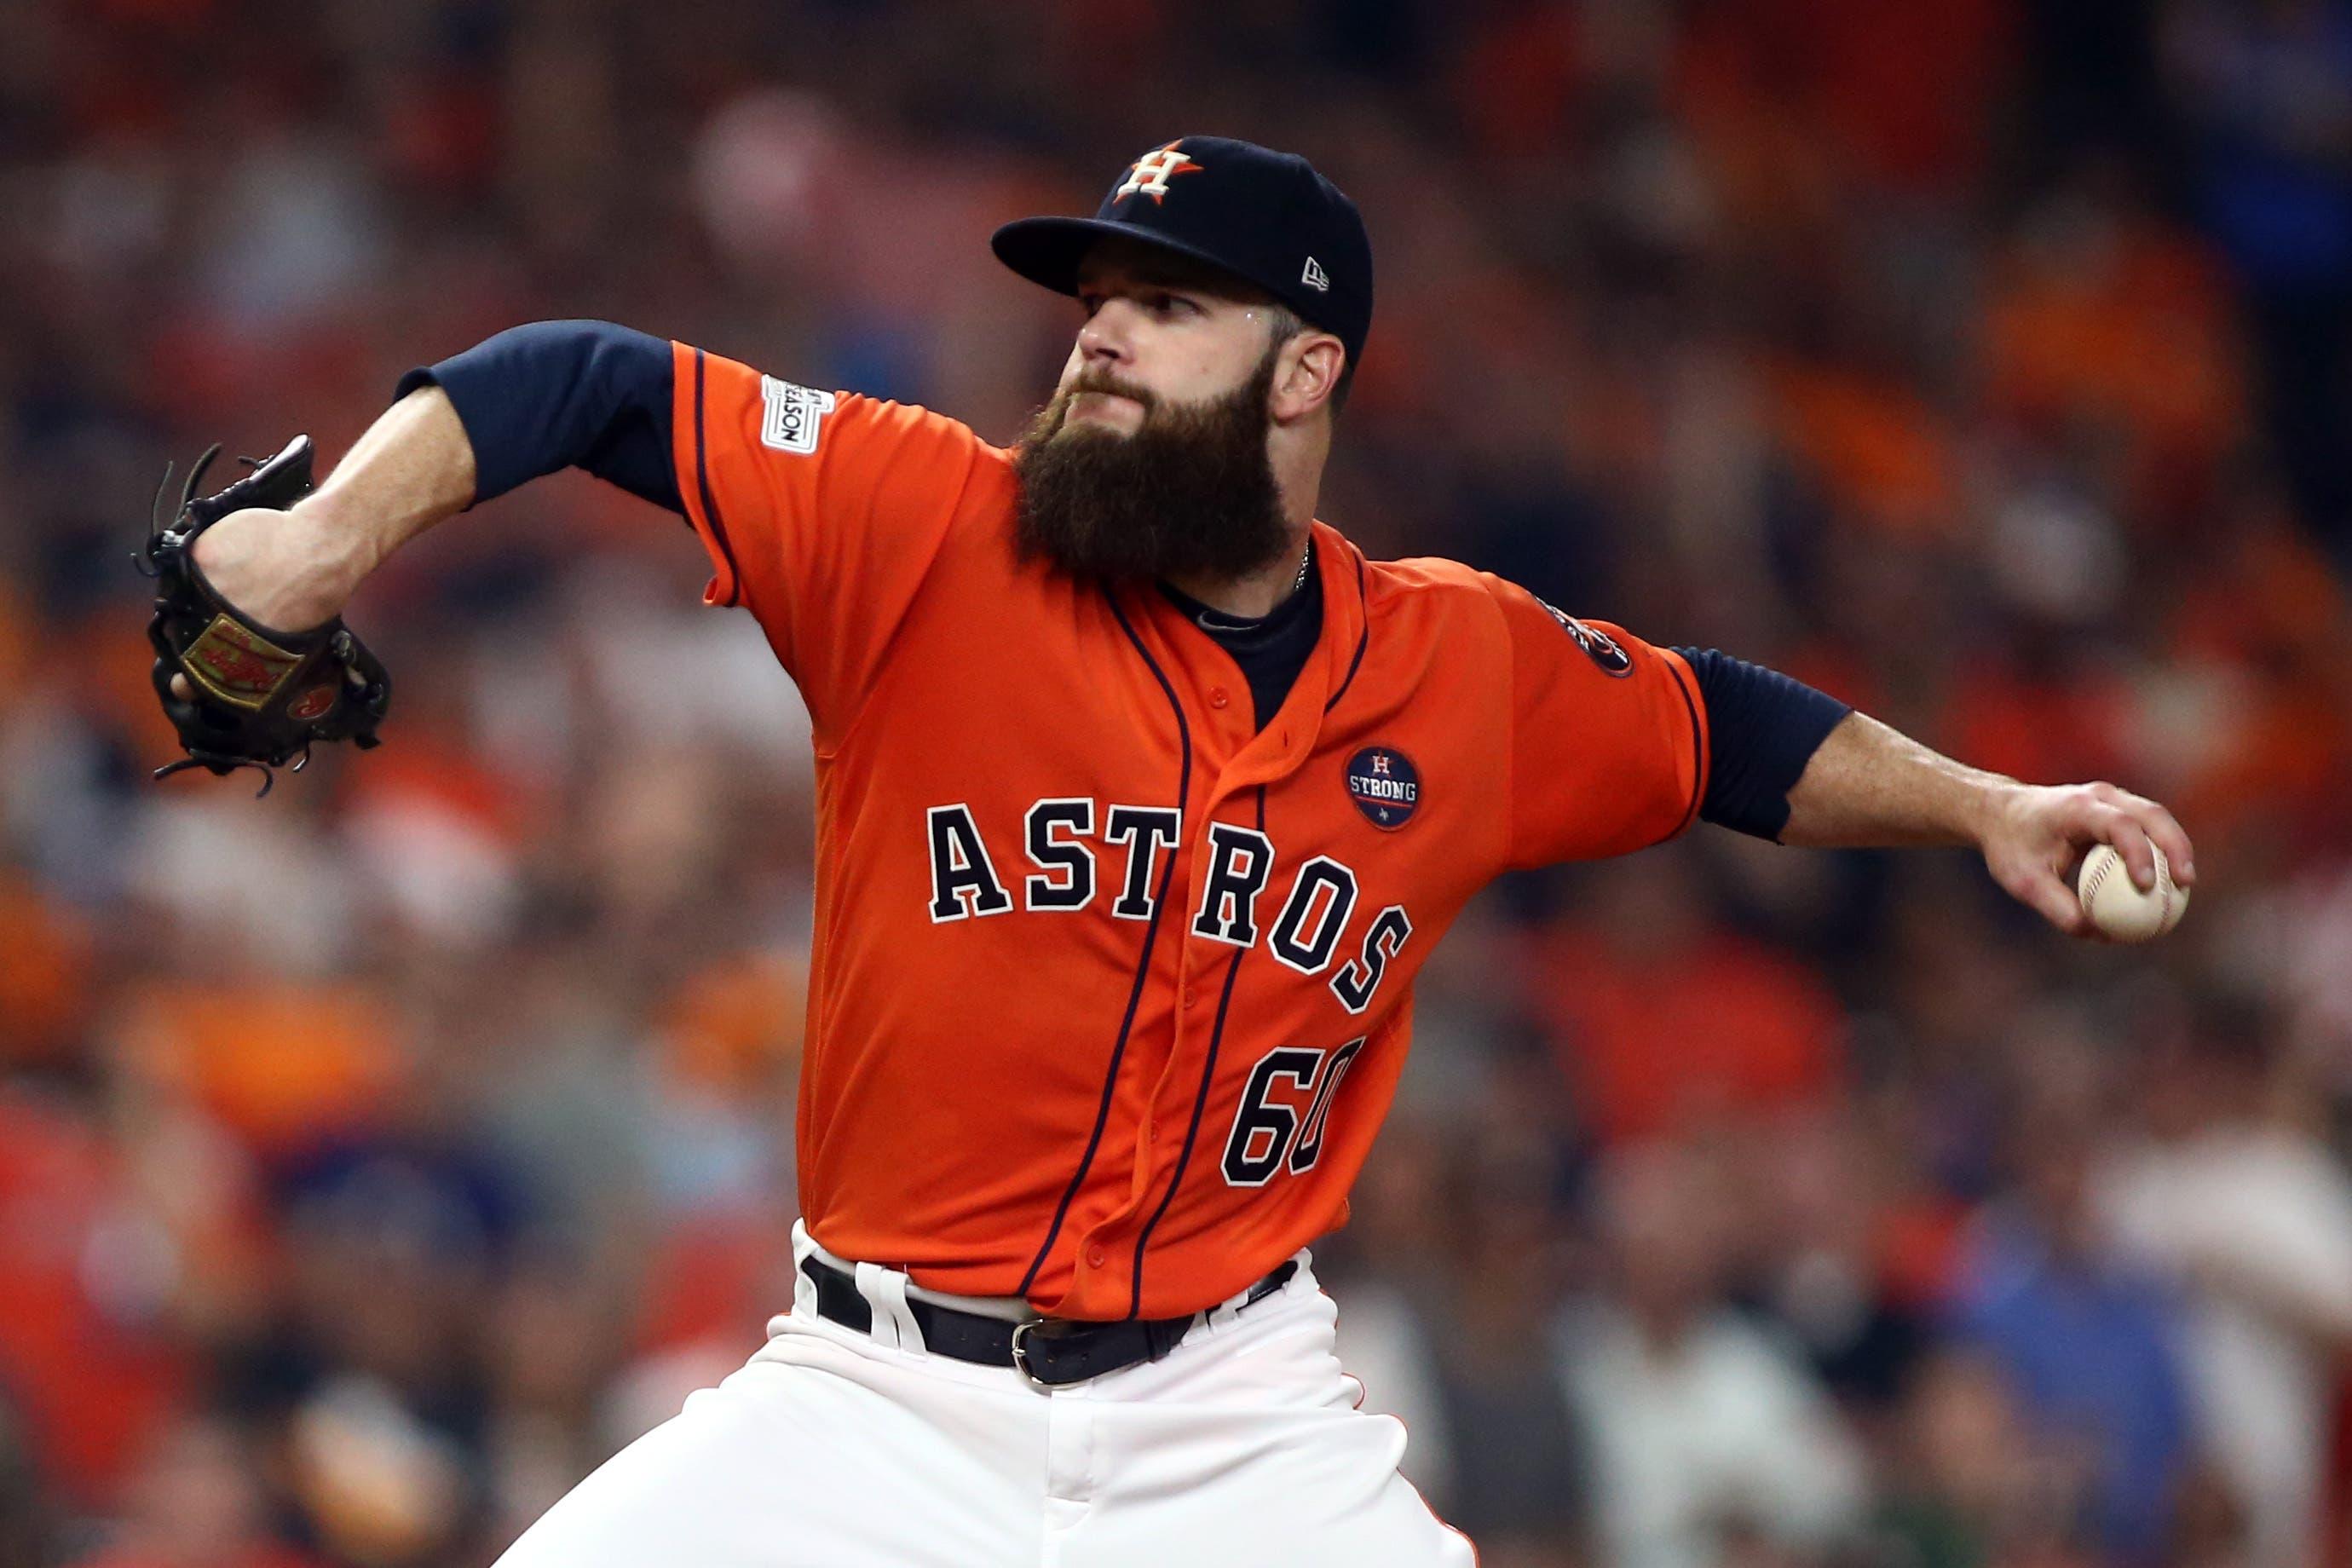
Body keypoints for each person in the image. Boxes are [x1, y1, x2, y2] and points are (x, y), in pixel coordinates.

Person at [170, 136, 2195, 1565]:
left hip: (1233, 1418)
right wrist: (320, 540)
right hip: (874, 1402)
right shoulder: (923, 532)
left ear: (1309, 371)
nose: (1099, 337)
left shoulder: (1457, 663)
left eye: (1164, 303)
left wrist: (1994, 805)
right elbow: (590, 384)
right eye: (1092, 301)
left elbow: (1723, 732)